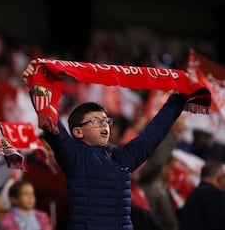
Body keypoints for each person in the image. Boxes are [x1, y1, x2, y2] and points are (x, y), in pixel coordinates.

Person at [22, 63, 189, 229]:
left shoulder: (123, 159)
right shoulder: (73, 156)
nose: (104, 125)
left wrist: (180, 98)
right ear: (78, 132)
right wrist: (36, 86)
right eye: (96, 121)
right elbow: (51, 122)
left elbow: (155, 132)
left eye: (106, 121)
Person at [179, 160, 225, 230]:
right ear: (217, 177)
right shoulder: (212, 193)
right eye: (223, 176)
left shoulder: (196, 193)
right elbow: (219, 223)